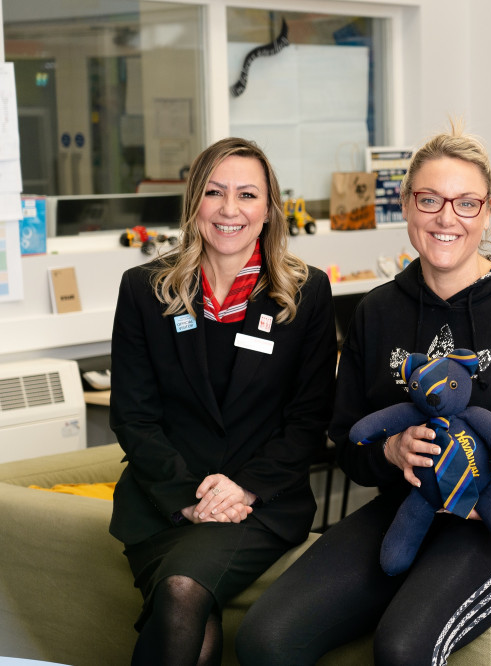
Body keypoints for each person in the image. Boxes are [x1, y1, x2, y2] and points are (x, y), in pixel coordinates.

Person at [236, 125, 491, 665]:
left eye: (466, 203)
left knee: (402, 647)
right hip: (406, 507)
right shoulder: (378, 311)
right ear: (407, 207)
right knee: (266, 638)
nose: (446, 218)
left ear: (486, 214)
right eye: (430, 199)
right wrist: (388, 452)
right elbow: (347, 443)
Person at [109, 137, 336, 666]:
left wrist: (242, 490)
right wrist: (189, 497)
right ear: (194, 204)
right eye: (214, 192)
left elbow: (308, 420)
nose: (230, 209)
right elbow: (133, 415)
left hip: (259, 505)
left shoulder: (305, 293)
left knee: (184, 590)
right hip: (161, 503)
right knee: (191, 611)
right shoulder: (147, 288)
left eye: (247, 195)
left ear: (268, 210)